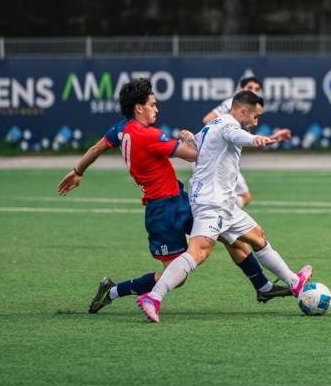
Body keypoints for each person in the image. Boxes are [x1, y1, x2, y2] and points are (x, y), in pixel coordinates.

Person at [57, 78, 291, 313]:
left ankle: (263, 285)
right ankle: (113, 291)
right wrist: (193, 139)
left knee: (232, 237)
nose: (156, 109)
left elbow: (96, 148)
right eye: (152, 105)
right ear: (139, 108)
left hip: (182, 201)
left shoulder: (120, 129)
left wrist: (77, 172)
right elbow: (192, 155)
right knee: (176, 276)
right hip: (162, 211)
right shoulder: (149, 136)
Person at [136, 90, 311, 323]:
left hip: (222, 203)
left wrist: (188, 137)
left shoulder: (214, 124)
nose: (255, 123)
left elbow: (197, 146)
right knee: (198, 252)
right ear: (242, 111)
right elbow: (237, 136)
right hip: (213, 203)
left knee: (257, 237)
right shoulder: (229, 126)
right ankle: (153, 297)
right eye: (255, 117)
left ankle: (294, 283)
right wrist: (260, 140)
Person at [202, 75, 263, 208]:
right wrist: (225, 131)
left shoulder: (250, 109)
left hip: (225, 159)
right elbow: (207, 119)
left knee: (242, 197)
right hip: (215, 159)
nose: (254, 91)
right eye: (250, 88)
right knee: (215, 200)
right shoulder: (230, 104)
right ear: (240, 89)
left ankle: (225, 217)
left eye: (257, 89)